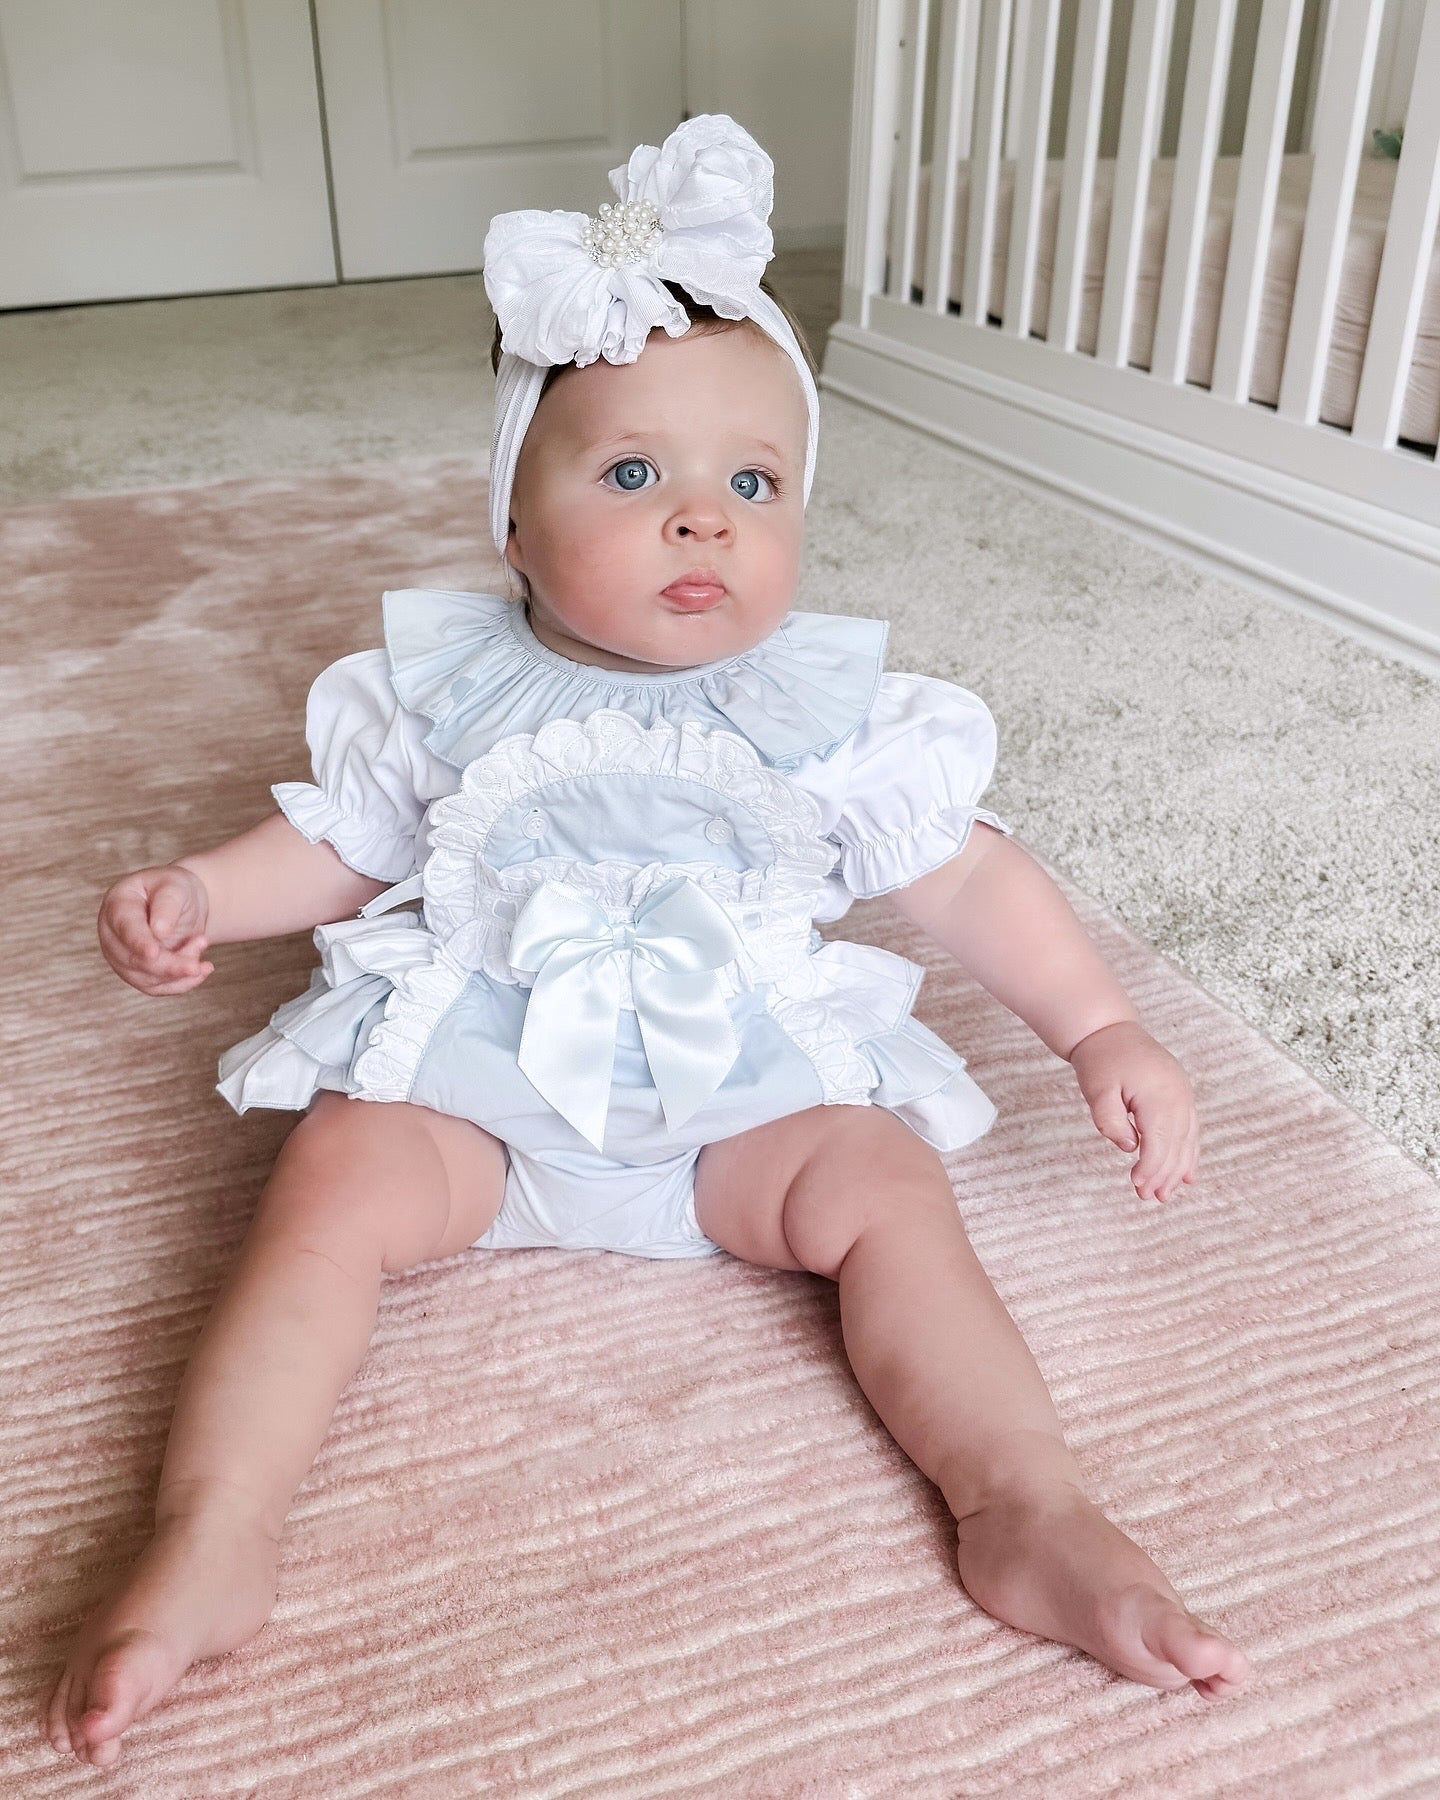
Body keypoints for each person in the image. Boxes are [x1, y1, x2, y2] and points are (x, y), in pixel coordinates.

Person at [42, 115, 1249, 1770]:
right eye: (632, 477)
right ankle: (216, 1529)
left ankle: (1026, 1505)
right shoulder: (448, 695)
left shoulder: (826, 717)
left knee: (887, 1183)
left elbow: (966, 877)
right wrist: (202, 891)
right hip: (480, 1110)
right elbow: (342, 843)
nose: (704, 522)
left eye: (753, 484)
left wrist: (1101, 1027)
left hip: (740, 1120)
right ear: (510, 523)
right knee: (329, 1177)